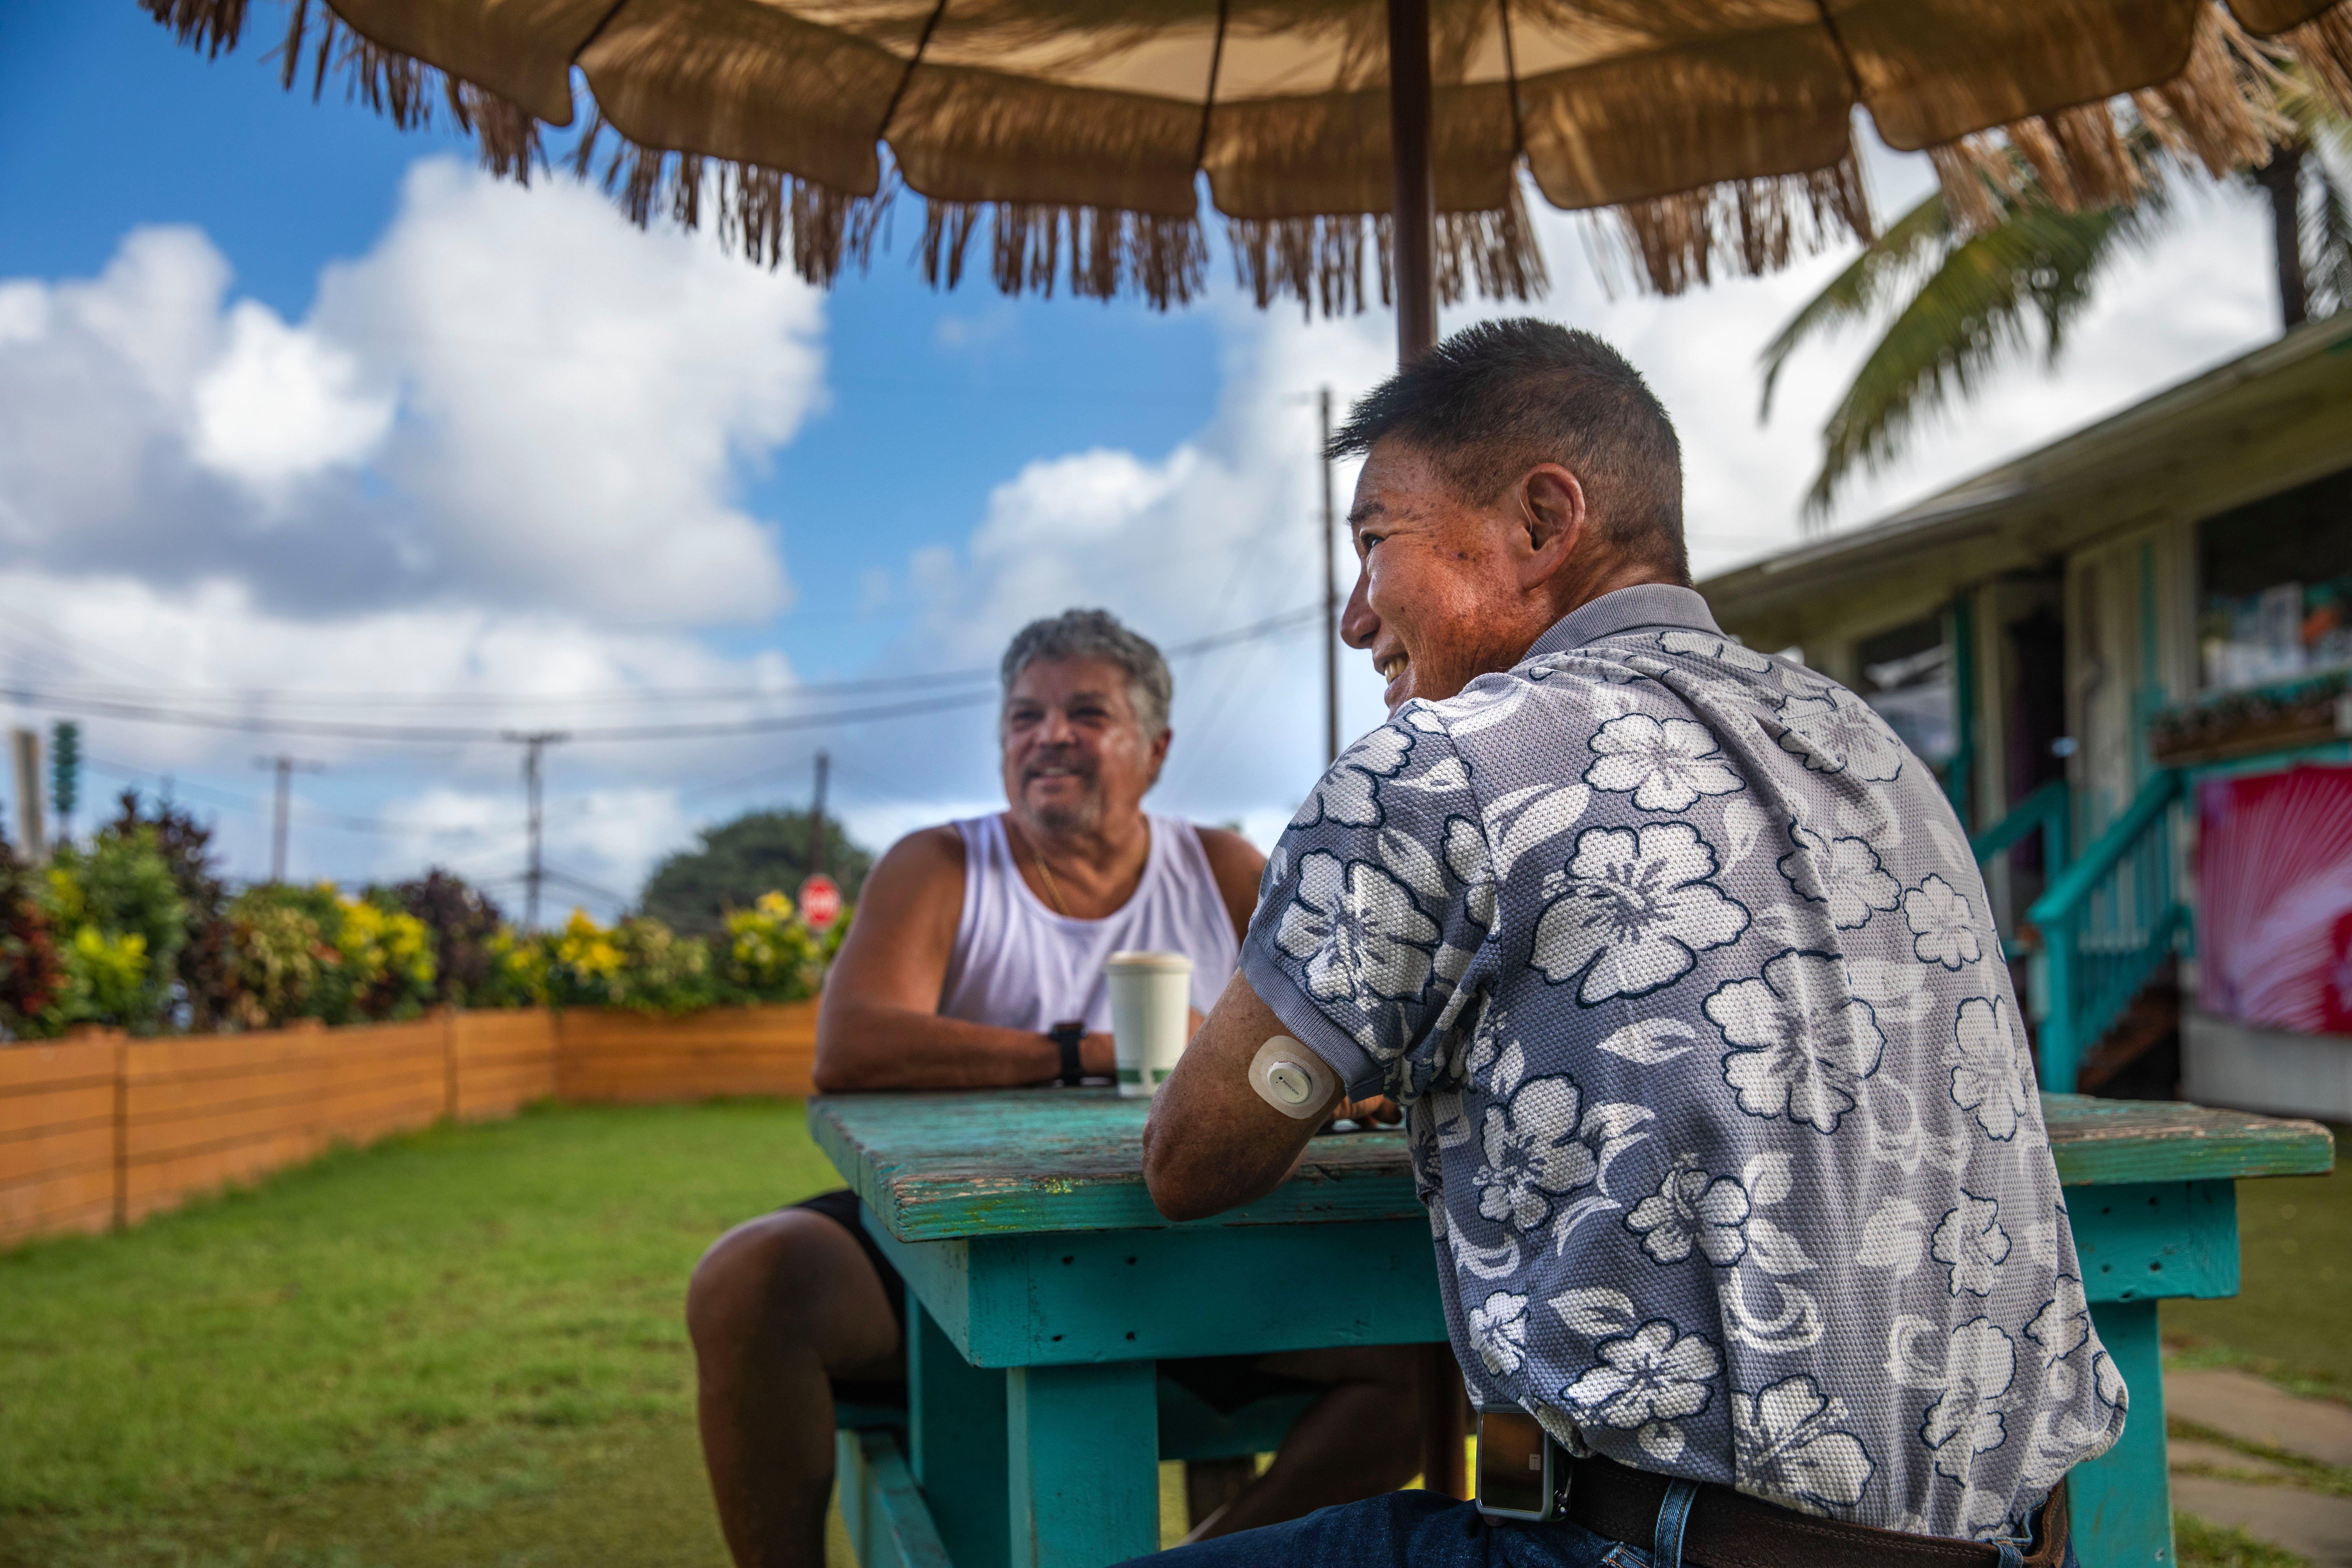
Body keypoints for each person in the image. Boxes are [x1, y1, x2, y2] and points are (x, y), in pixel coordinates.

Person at [1138, 321, 2117, 1568]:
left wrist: (1325, 1064)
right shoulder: (1871, 751)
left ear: (1544, 525)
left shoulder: (1443, 764)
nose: (1352, 617)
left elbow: (1194, 1158)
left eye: (1375, 543)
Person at [686, 609, 1423, 1568]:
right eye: (1025, 718)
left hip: (1199, 1268)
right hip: (948, 1263)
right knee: (751, 1279)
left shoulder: (1224, 868)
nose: (1050, 737)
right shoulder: (942, 865)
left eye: (1086, 713)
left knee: (1423, 1364)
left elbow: (1340, 1035)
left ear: (1155, 750)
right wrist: (1088, 1051)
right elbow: (855, 1046)